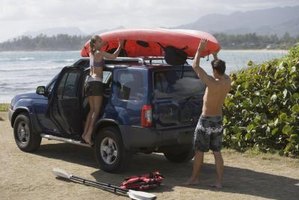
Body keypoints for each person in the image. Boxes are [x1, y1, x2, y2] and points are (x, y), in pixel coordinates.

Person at [185, 39, 231, 189]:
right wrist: (215, 56)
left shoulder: (212, 82)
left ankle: (194, 179)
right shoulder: (227, 81)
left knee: (199, 151)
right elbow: (220, 70)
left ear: (215, 72)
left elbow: (195, 65)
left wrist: (199, 50)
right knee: (217, 152)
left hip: (205, 121)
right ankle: (219, 182)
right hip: (218, 121)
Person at [82, 35, 124, 145]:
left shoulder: (92, 53)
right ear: (95, 43)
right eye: (99, 41)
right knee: (96, 111)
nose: (102, 42)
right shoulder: (99, 53)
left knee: (91, 110)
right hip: (96, 83)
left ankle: (84, 133)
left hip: (89, 82)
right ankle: (88, 135)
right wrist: (120, 46)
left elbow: (99, 48)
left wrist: (104, 44)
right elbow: (114, 56)